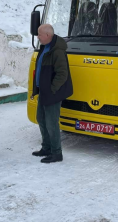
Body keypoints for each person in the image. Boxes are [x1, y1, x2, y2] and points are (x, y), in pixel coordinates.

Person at [31, 24, 73, 164]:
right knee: (41, 119)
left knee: (51, 123)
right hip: (44, 91)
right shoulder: (45, 47)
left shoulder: (57, 51)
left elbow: (62, 74)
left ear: (48, 35)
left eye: (40, 34)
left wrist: (52, 89)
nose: (38, 37)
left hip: (52, 93)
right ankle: (46, 148)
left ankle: (56, 153)